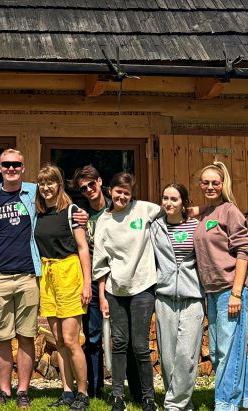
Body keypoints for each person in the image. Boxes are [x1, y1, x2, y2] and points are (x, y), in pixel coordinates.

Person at [0, 149, 86, 409]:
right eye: (6, 164)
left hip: (29, 275)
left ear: (23, 168)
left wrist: (82, 215)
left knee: (26, 335)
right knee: (1, 337)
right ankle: (4, 391)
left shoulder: (34, 191)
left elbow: (60, 200)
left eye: (16, 164)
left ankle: (23, 390)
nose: (11, 168)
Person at [91, 172, 164, 411]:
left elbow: (171, 212)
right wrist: (102, 296)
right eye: (118, 191)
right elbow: (100, 263)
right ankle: (118, 396)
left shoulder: (144, 209)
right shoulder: (104, 221)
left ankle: (148, 397)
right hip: (115, 289)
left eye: (127, 193)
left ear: (132, 195)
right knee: (119, 343)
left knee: (141, 345)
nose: (122, 196)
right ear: (110, 191)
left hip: (143, 286)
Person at [193, 162, 248, 411]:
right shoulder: (205, 214)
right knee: (223, 352)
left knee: (227, 351)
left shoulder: (231, 211)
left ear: (223, 184)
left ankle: (226, 405)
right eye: (206, 182)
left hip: (231, 290)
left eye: (215, 182)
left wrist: (236, 293)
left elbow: (243, 253)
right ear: (200, 185)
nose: (210, 186)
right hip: (211, 291)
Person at [73, 166, 141, 403]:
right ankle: (94, 388)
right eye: (83, 188)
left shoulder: (121, 206)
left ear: (101, 182)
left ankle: (136, 389)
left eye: (91, 184)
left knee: (127, 337)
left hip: (122, 279)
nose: (89, 190)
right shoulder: (80, 215)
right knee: (92, 337)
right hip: (92, 281)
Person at [34, 165, 91, 411]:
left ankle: (82, 393)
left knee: (71, 339)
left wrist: (87, 283)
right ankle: (66, 392)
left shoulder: (72, 212)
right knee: (58, 339)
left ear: (59, 184)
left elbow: (82, 248)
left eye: (51, 182)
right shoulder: (38, 213)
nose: (46, 188)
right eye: (42, 183)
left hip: (69, 274)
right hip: (47, 276)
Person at [151, 183, 203, 411]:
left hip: (192, 297)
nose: (168, 203)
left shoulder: (197, 227)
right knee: (168, 356)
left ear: (184, 203)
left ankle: (173, 405)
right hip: (164, 297)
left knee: (187, 354)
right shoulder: (155, 227)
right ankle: (183, 402)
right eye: (165, 198)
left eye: (174, 199)